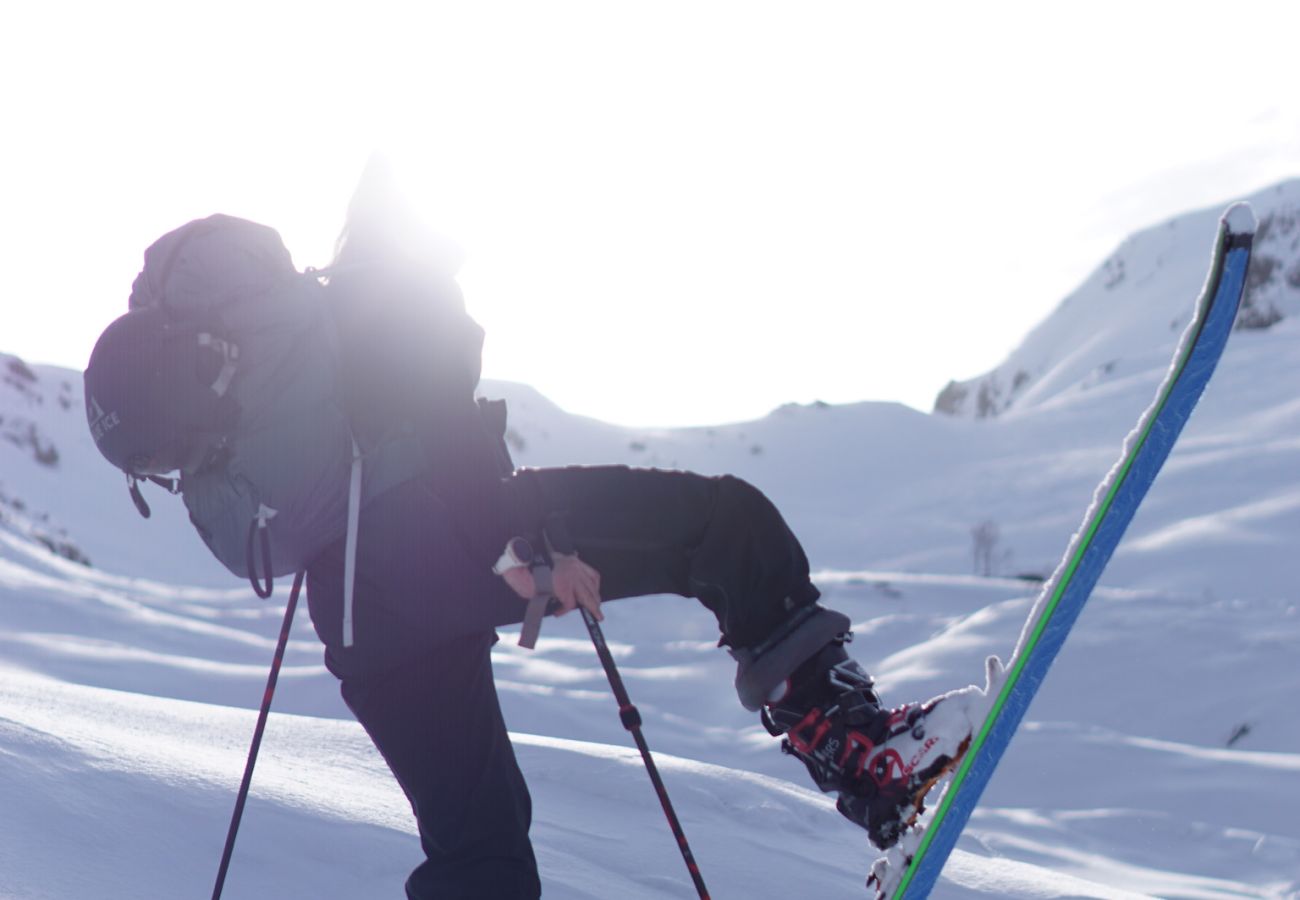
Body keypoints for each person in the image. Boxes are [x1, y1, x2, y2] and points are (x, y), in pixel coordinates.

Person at [84, 185, 974, 899]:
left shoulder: (299, 343)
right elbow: (441, 435)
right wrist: (526, 543)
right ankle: (867, 761)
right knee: (724, 526)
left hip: (359, 623)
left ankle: (866, 766)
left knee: (480, 854)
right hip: (445, 545)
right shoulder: (380, 298)